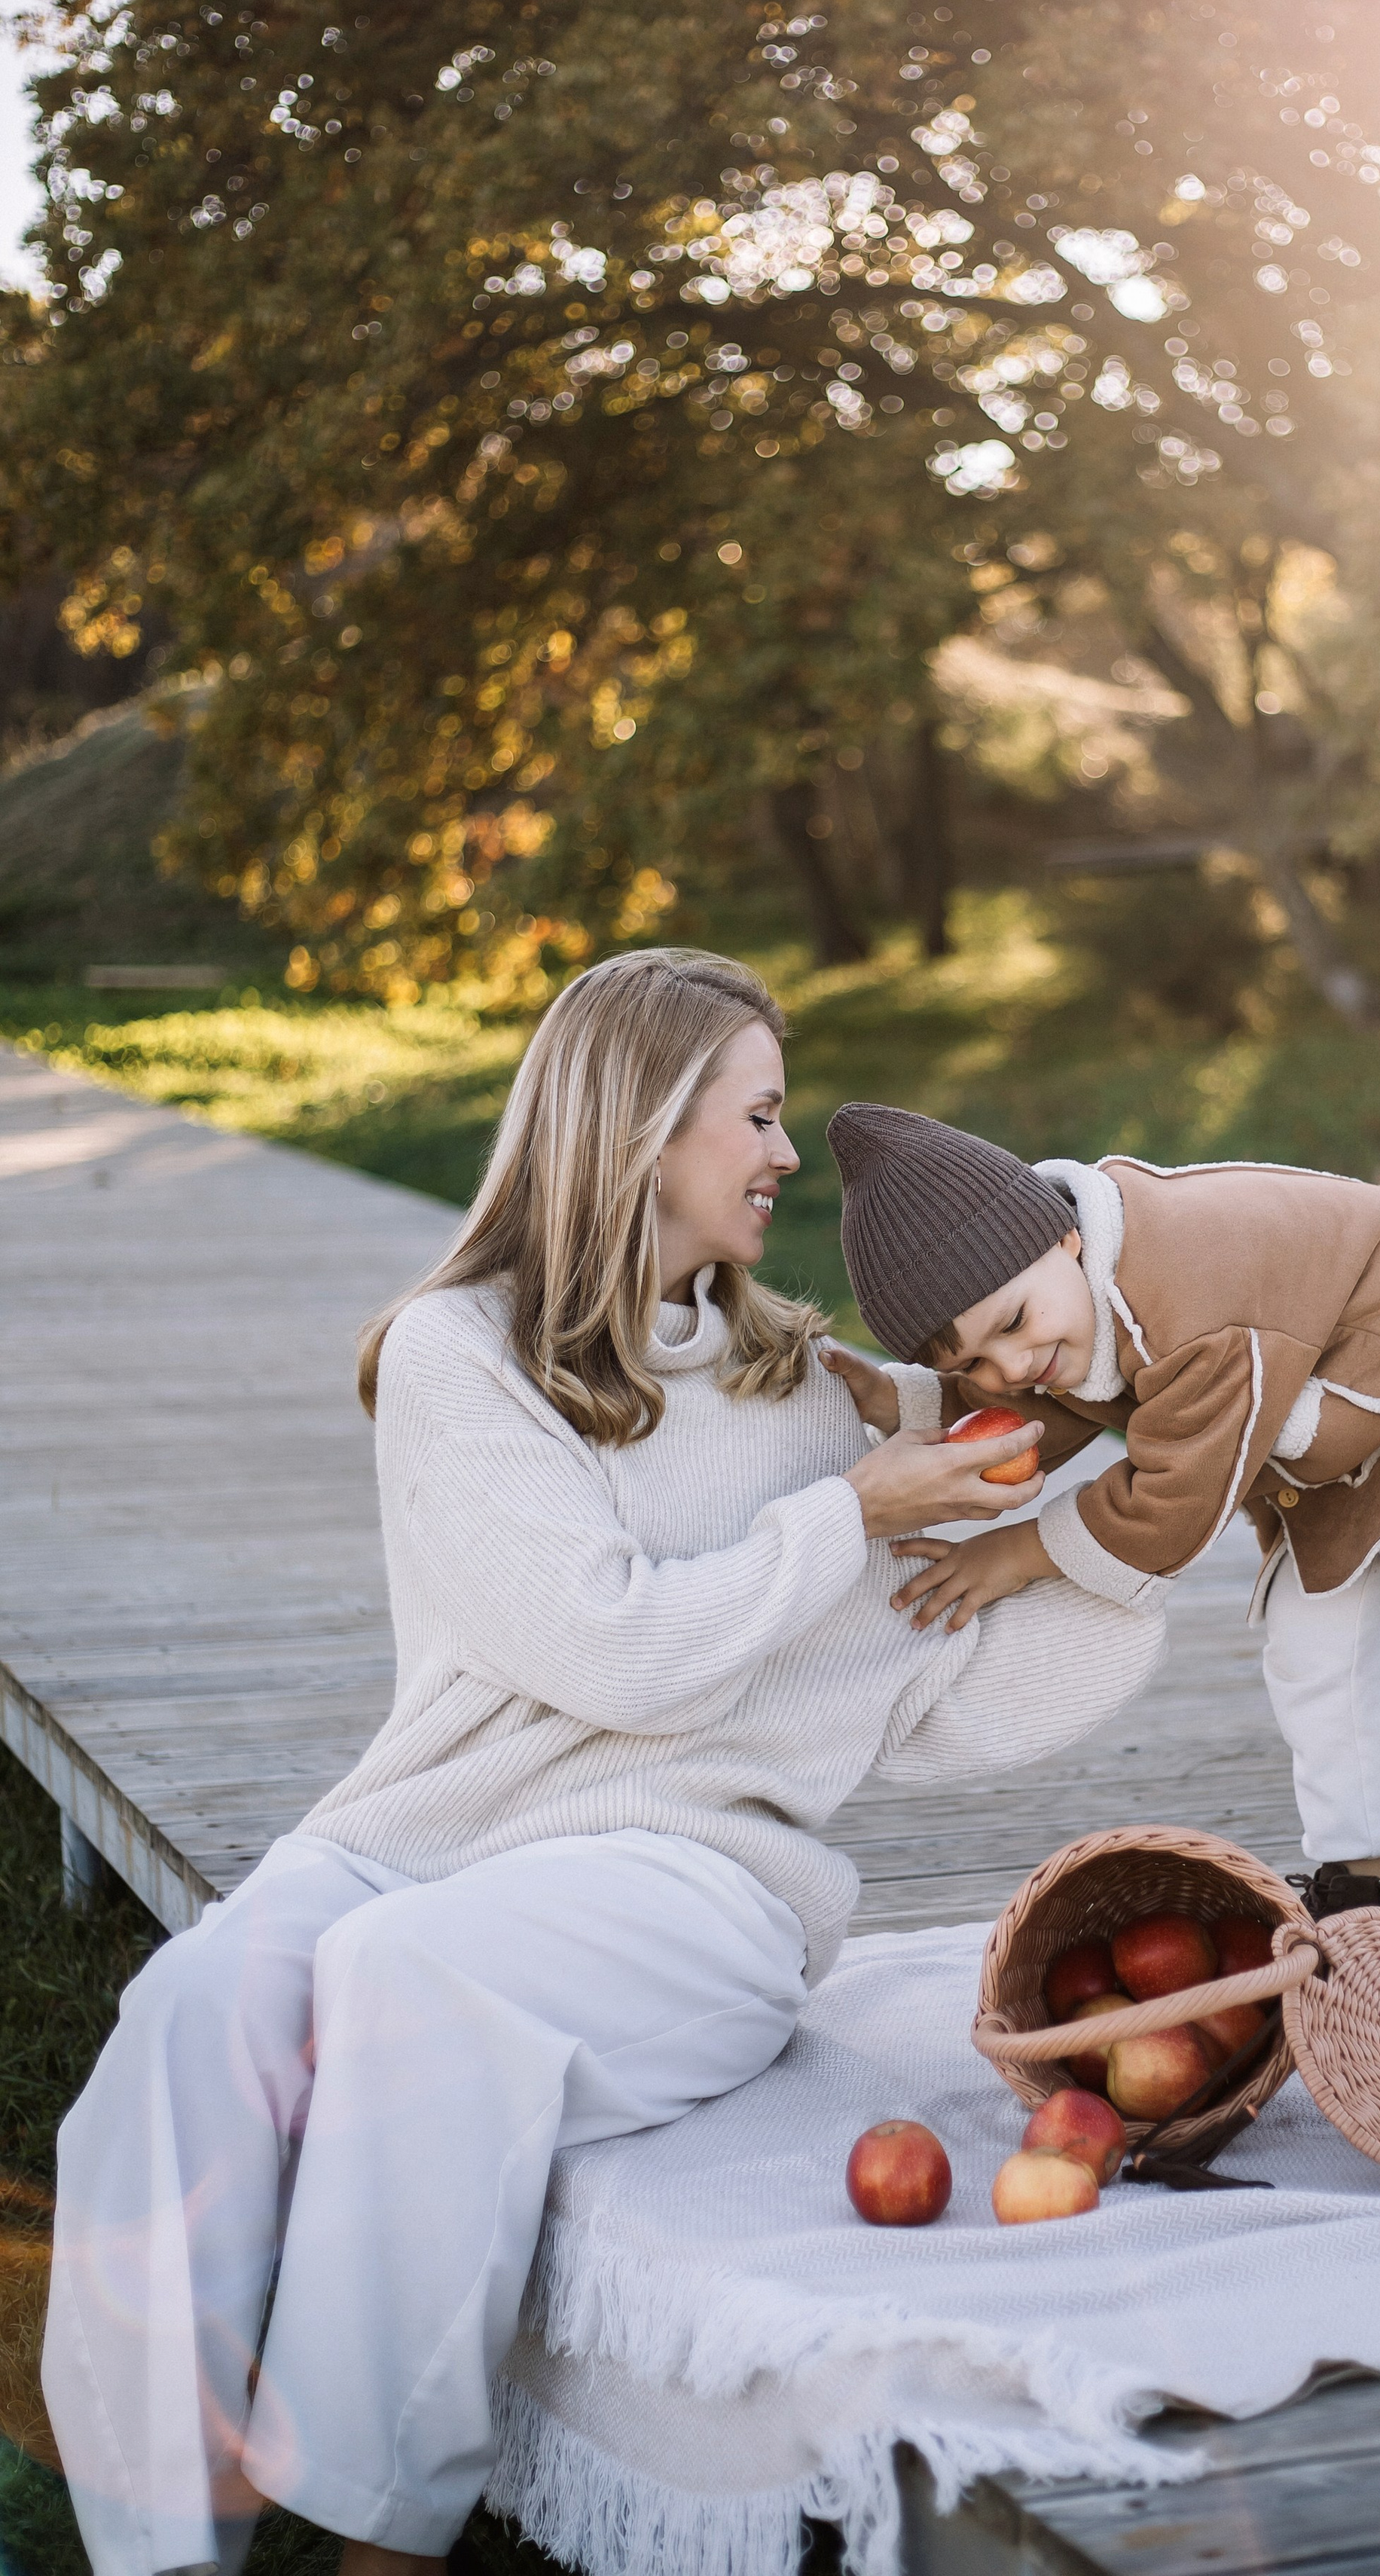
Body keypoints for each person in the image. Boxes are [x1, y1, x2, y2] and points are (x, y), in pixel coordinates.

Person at [43, 953, 1168, 2576]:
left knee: (416, 1986)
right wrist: (848, 1513)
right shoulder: (456, 1358)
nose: (785, 1156)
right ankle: (159, 2552)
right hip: (430, 1833)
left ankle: (379, 2542)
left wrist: (1137, 1531)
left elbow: (939, 1686)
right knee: (188, 2019)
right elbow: (609, 1644)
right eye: (758, 1116)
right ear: (641, 1128)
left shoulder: (802, 1392)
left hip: (689, 1880)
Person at [822, 1103, 1380, 2052]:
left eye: (1011, 1326)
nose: (1011, 1368)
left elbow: (1171, 1507)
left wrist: (1014, 1552)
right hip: (1331, 1425)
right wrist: (915, 1401)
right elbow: (1058, 1383)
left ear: (1066, 1238)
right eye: (969, 1364)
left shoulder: (1195, 1291)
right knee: (1314, 1655)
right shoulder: (1069, 1291)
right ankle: (1361, 1902)